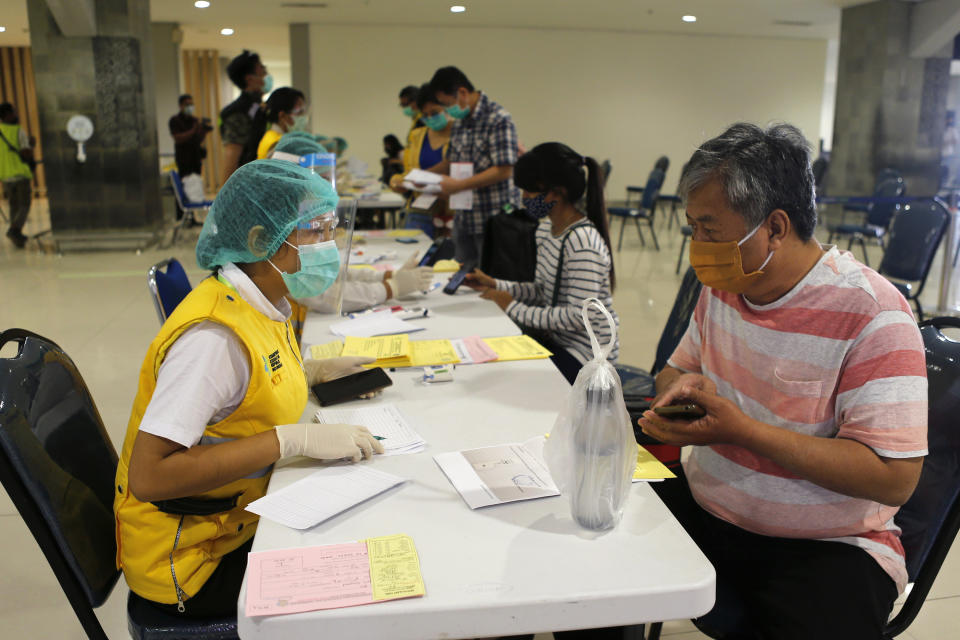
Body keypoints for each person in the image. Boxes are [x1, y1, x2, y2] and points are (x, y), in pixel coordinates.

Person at [636, 123, 927, 640]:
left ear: (774, 227)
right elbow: (677, 369)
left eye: (710, 230)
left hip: (825, 545)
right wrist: (676, 392)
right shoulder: (727, 284)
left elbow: (892, 476)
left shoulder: (872, 315)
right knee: (590, 550)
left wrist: (743, 431)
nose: (698, 247)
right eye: (693, 229)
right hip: (710, 508)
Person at [114, 159, 384, 618]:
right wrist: (288, 439)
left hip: (236, 520)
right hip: (194, 561)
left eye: (329, 229)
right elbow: (150, 477)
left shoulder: (263, 299)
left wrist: (312, 372)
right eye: (315, 231)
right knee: (366, 592)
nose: (328, 245)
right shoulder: (212, 342)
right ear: (262, 241)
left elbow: (251, 389)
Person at [465, 143, 618, 384]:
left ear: (557, 193)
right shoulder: (546, 229)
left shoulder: (583, 243)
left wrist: (513, 307)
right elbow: (541, 290)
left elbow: (579, 316)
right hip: (555, 341)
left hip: (587, 359)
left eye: (529, 191)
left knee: (507, 379)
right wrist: (496, 284)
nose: (524, 198)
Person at [270, 132, 433, 312]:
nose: (324, 191)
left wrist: (387, 276)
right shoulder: (280, 231)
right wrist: (391, 287)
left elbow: (329, 273)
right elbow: (324, 295)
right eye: (320, 180)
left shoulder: (292, 217)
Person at [427, 66, 520, 263]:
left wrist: (458, 186)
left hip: (493, 218)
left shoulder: (498, 119)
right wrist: (422, 176)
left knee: (489, 283)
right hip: (464, 217)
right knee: (462, 281)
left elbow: (504, 169)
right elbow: (450, 161)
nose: (447, 111)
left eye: (447, 104)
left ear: (462, 93)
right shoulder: (460, 122)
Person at [389, 83, 454, 237]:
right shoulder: (417, 136)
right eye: (425, 115)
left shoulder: (461, 135)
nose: (430, 118)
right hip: (420, 211)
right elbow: (410, 172)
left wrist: (424, 177)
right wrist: (397, 181)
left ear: (448, 108)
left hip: (451, 213)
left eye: (435, 112)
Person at [220, 50, 271, 182]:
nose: (266, 73)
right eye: (261, 69)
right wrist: (225, 196)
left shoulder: (260, 107)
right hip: (247, 182)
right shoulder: (239, 112)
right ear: (249, 78)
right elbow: (232, 154)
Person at [0, 102, 34, 248]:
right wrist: (32, 144)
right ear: (7, 115)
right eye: (13, 112)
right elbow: (26, 152)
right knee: (25, 204)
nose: (16, 115)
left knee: (14, 206)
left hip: (5, 175)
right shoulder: (18, 131)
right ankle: (14, 230)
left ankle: (17, 236)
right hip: (20, 174)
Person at [257, 87, 307, 159]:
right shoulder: (276, 143)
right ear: (282, 116)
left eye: (303, 112)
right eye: (299, 112)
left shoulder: (278, 137)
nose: (303, 116)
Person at [169, 94, 212, 178]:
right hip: (183, 159)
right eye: (187, 104)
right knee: (186, 184)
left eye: (191, 105)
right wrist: (193, 130)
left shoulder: (194, 120)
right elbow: (178, 138)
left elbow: (198, 140)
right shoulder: (175, 120)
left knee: (196, 183)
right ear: (181, 106)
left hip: (196, 158)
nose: (190, 107)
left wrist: (203, 132)